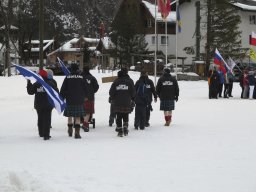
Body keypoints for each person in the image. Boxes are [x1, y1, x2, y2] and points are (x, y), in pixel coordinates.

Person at [27, 69, 58, 140]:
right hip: (48, 105)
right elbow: (56, 93)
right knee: (47, 119)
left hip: (38, 104)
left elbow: (30, 92)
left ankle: (41, 133)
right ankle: (46, 135)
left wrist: (29, 82)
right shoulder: (51, 83)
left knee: (40, 118)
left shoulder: (37, 83)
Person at [60, 63, 86, 139]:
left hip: (69, 99)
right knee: (77, 117)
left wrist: (62, 97)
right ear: (77, 69)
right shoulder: (81, 77)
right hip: (79, 99)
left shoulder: (67, 77)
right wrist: (84, 96)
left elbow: (63, 89)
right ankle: (77, 133)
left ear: (71, 69)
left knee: (69, 116)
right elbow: (85, 88)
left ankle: (70, 130)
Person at [109, 70, 135, 137]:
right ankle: (125, 127)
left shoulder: (115, 82)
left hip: (117, 102)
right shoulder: (129, 82)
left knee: (119, 116)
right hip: (127, 101)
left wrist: (113, 97)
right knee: (125, 115)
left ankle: (120, 131)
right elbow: (133, 93)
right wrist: (130, 97)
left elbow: (111, 92)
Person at [81, 66, 99, 132]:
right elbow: (96, 87)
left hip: (80, 97)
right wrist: (92, 92)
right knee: (88, 111)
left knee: (81, 110)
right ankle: (86, 123)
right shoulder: (92, 78)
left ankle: (83, 121)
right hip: (90, 97)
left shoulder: (79, 77)